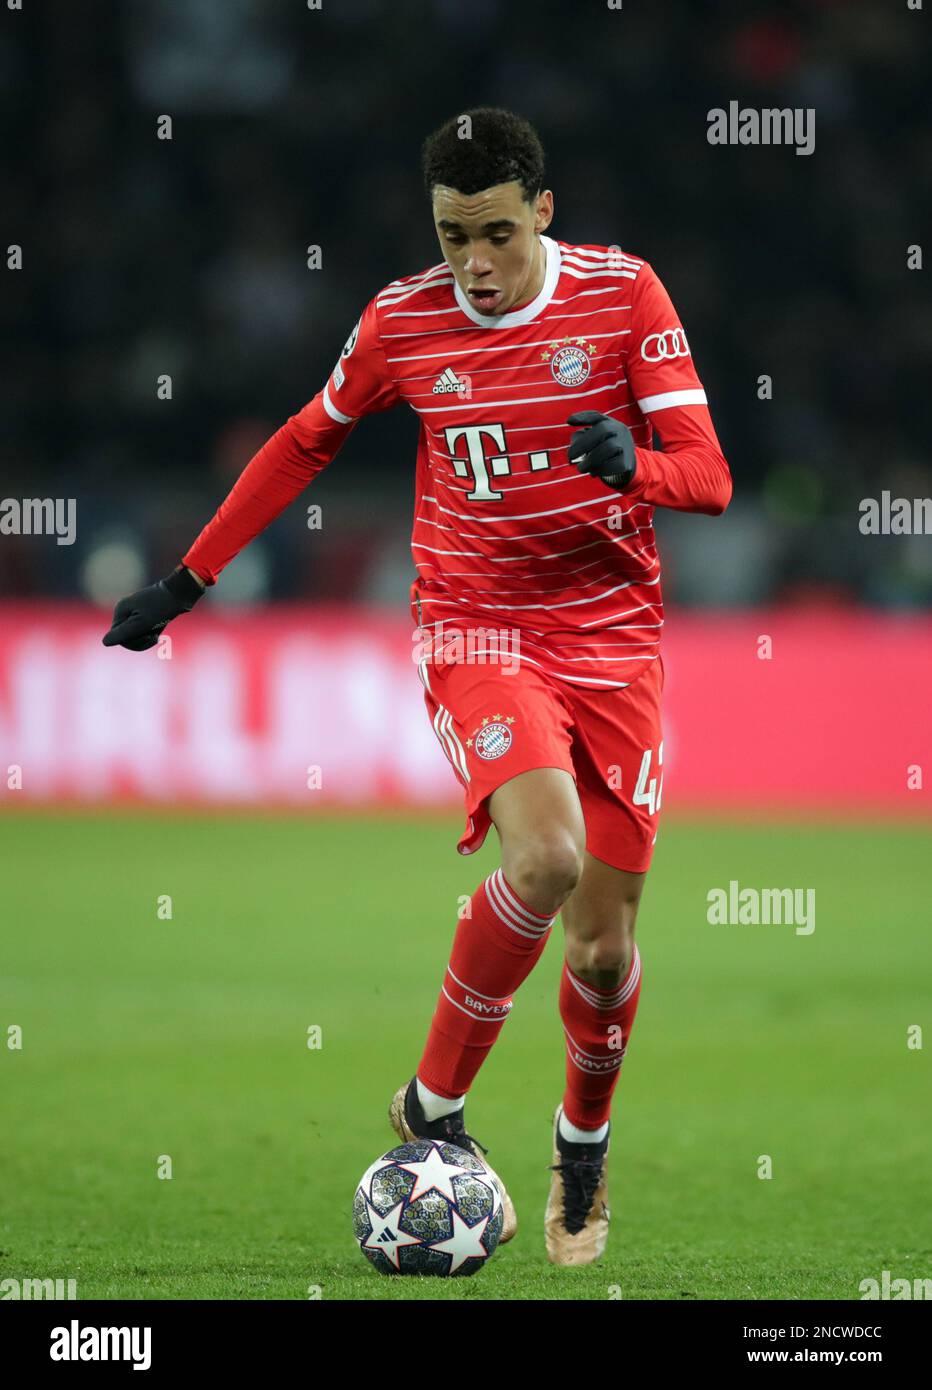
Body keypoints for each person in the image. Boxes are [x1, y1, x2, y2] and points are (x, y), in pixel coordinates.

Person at [103, 107, 732, 1265]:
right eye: (452, 238)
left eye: (495, 232)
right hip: (475, 629)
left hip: (612, 644)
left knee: (601, 949)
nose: (475, 264)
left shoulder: (623, 295)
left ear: (542, 210)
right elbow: (304, 439)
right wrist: (187, 581)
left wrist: (631, 465)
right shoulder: (400, 321)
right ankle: (433, 1105)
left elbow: (710, 476)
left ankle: (579, 1139)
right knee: (540, 858)